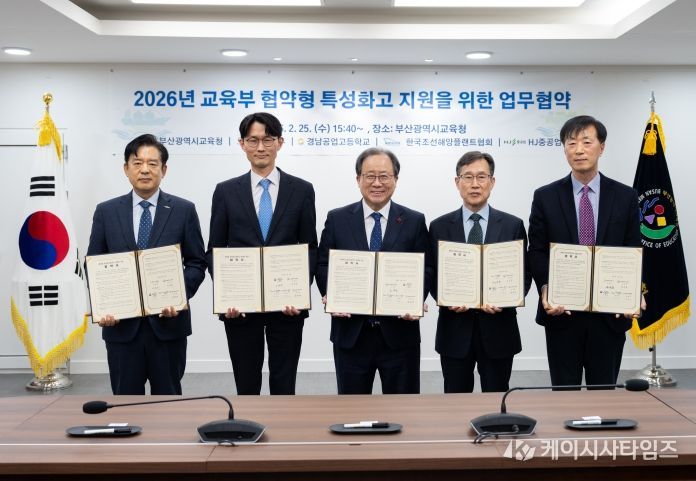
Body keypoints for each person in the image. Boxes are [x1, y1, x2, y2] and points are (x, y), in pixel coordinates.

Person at [87, 134, 206, 395]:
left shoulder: (184, 210)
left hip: (168, 326)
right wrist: (103, 305)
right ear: (126, 168)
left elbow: (197, 262)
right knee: (125, 401)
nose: (145, 169)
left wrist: (179, 296)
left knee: (168, 401)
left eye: (153, 163)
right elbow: (94, 263)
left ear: (164, 170)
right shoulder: (106, 212)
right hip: (121, 328)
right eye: (137, 162)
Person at [207, 112, 317, 395]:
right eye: (253, 140)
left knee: (284, 383)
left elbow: (310, 247)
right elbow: (215, 250)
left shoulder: (302, 190)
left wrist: (298, 292)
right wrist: (228, 294)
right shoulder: (225, 191)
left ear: (280, 142)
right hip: (241, 309)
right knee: (246, 384)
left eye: (267, 139)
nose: (260, 147)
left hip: (287, 307)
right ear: (241, 144)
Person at [528, 115, 643, 387]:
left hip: (609, 314)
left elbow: (633, 249)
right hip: (562, 312)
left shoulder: (625, 196)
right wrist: (546, 288)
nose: (578, 150)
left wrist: (634, 290)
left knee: (603, 391)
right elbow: (537, 250)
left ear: (601, 147)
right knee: (563, 392)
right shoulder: (545, 196)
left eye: (586, 142)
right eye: (571, 143)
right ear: (564, 149)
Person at [316, 147, 431, 395]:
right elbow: (323, 264)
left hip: (400, 333)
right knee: (352, 407)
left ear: (395, 179)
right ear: (358, 179)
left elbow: (426, 267)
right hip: (351, 334)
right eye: (370, 176)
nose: (377, 183)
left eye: (384, 176)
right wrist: (331, 295)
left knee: (403, 407)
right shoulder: (337, 219)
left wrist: (415, 299)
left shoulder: (414, 220)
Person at [428, 151, 530, 393]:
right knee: (455, 399)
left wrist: (506, 300)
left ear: (492, 182)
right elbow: (431, 273)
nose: (475, 184)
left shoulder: (512, 225)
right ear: (457, 182)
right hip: (454, 330)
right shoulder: (439, 226)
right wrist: (446, 298)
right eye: (468, 177)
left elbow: (524, 275)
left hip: (498, 330)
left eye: (481, 177)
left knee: (496, 397)